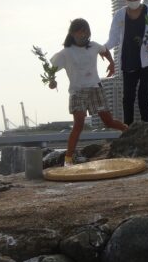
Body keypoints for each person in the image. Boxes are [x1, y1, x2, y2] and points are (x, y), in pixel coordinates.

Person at [50, 18, 128, 166]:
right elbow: (51, 68)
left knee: (108, 121)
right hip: (77, 91)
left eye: (85, 31)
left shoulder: (93, 46)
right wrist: (52, 81)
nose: (83, 35)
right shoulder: (66, 52)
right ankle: (68, 159)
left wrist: (112, 63)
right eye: (79, 32)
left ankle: (128, 131)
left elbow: (105, 51)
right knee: (78, 124)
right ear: (72, 33)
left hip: (95, 88)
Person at [105, 0, 148, 125]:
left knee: (144, 96)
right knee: (128, 98)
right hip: (128, 60)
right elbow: (113, 38)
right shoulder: (120, 14)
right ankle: (128, 128)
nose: (132, 1)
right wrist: (103, 48)